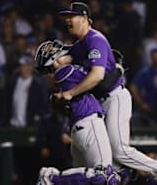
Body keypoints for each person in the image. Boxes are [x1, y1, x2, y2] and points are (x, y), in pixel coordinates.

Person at [56, 2, 157, 185]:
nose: (67, 20)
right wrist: (50, 60)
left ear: (84, 19)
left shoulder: (95, 39)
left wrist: (70, 93)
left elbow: (97, 76)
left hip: (115, 98)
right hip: (100, 104)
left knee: (119, 150)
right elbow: (60, 61)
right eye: (66, 16)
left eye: (71, 16)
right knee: (108, 163)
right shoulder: (80, 45)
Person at [35, 40, 114, 170]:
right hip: (89, 123)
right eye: (59, 52)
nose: (65, 52)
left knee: (86, 177)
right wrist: (114, 65)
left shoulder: (64, 76)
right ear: (55, 61)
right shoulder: (64, 72)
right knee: (104, 175)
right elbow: (100, 78)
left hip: (79, 128)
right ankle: (53, 178)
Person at [5, 56, 49, 127]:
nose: (24, 69)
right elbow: (7, 102)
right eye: (22, 66)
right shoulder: (12, 83)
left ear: (31, 67)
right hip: (13, 124)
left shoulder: (38, 85)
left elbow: (43, 104)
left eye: (27, 66)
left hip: (31, 125)